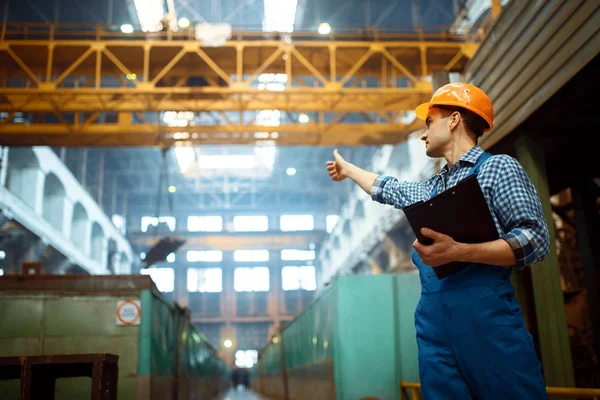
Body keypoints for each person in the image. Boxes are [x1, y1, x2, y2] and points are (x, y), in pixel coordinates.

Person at [326, 82, 550, 399]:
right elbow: (388, 188)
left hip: (487, 326)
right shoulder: (430, 190)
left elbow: (535, 239)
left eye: (429, 122)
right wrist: (348, 169)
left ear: (454, 119)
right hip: (434, 330)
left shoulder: (497, 169)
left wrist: (461, 251)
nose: (423, 133)